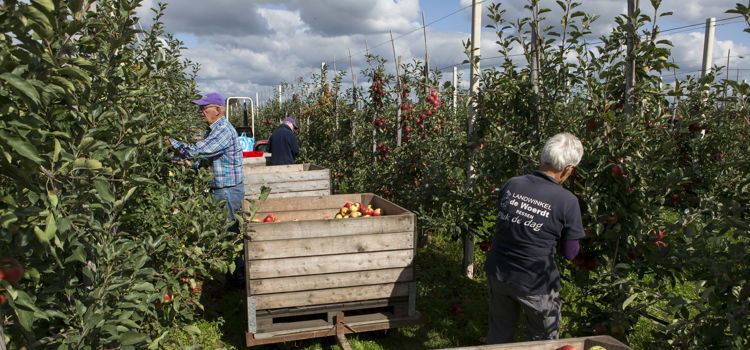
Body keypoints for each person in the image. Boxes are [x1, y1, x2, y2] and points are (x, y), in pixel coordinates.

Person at [484, 132, 585, 344]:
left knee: (499, 335)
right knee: (542, 341)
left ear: (542, 157)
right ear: (568, 169)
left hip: (499, 271)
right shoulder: (567, 201)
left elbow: (509, 222)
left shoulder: (512, 184)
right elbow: (570, 252)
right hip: (535, 281)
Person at [164, 92, 244, 232]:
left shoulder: (223, 130)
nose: (201, 112)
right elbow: (207, 159)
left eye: (204, 107)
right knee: (220, 229)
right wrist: (186, 162)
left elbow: (196, 152)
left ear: (218, 110)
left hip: (227, 191)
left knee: (226, 232)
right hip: (222, 189)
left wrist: (169, 141)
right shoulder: (213, 130)